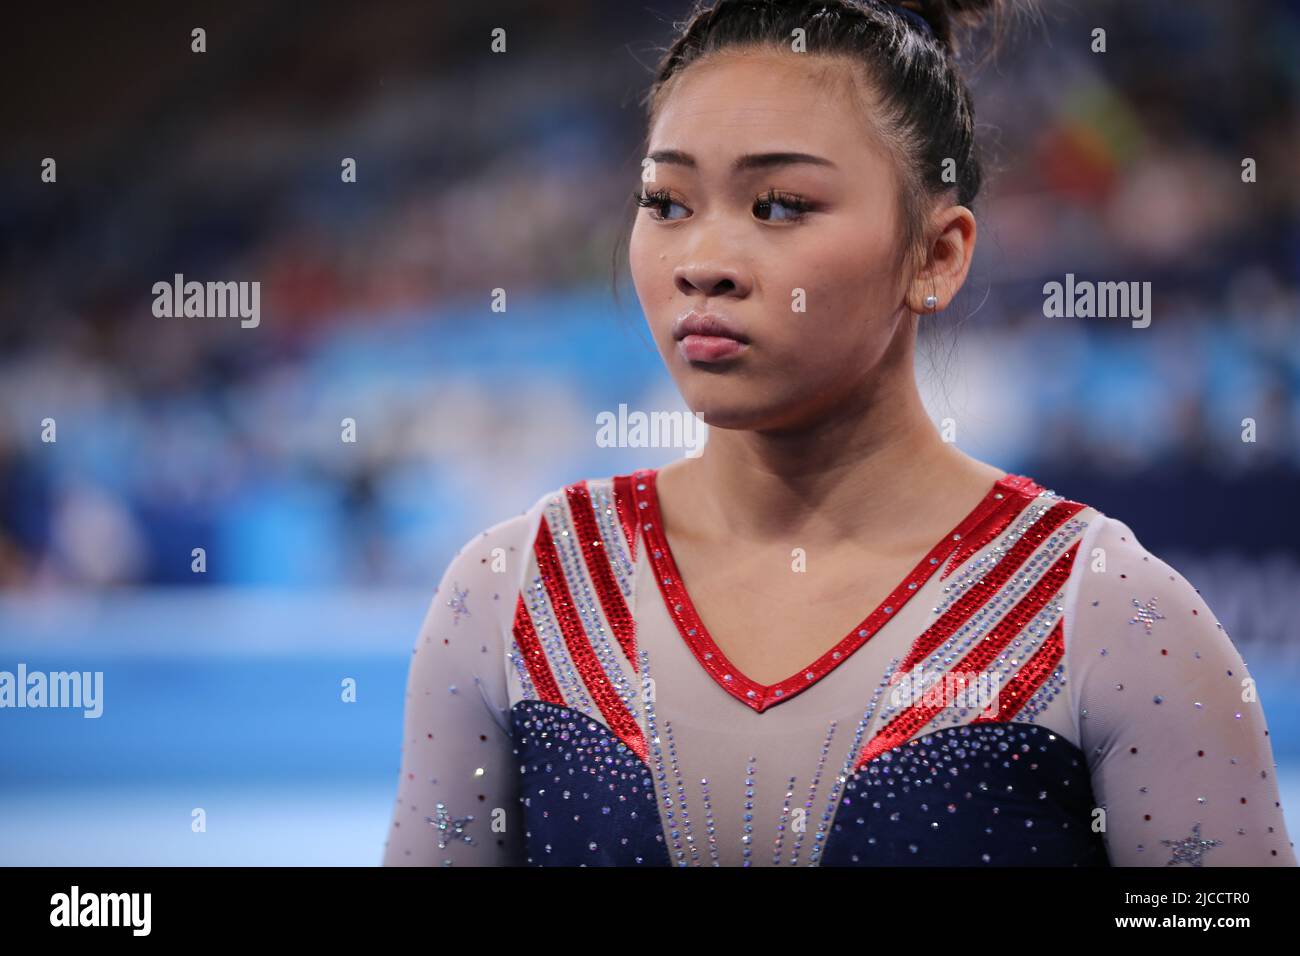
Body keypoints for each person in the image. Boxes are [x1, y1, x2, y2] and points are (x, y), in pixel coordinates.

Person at [382, 0, 1296, 866]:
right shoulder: (519, 591)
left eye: (779, 205)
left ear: (936, 256)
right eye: (666, 203)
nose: (702, 263)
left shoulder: (1107, 615)